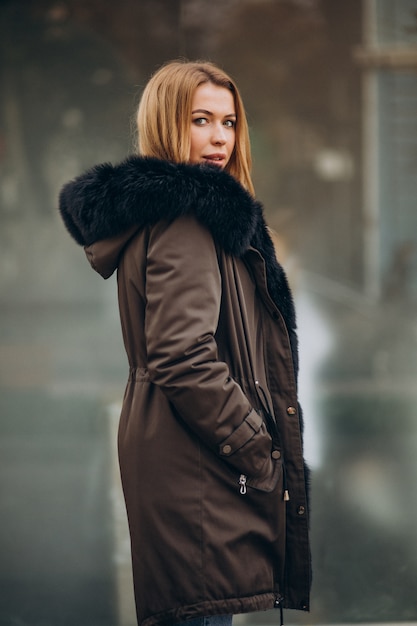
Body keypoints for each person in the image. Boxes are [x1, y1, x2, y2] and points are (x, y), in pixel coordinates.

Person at [59, 60, 311, 626]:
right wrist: (257, 446)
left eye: (228, 122)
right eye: (201, 120)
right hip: (197, 461)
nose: (219, 137)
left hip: (191, 454)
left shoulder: (184, 215)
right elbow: (181, 354)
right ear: (168, 123)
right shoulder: (189, 219)